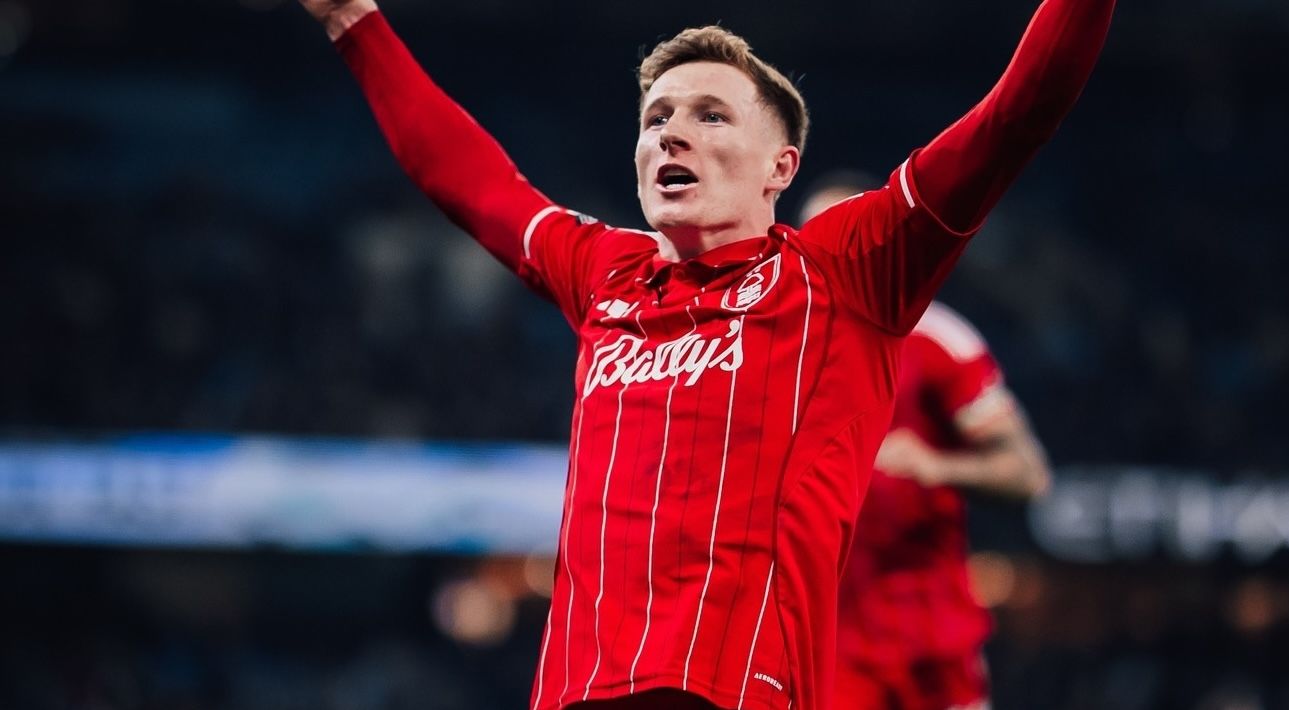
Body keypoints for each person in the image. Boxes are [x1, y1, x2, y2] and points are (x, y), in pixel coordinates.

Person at [292, 1, 1115, 708]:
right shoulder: (604, 273)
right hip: (575, 692)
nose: (670, 134)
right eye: (655, 118)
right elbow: (469, 177)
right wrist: (350, 20)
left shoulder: (843, 273)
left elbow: (1017, 111)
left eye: (709, 115)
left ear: (779, 168)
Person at [799, 185, 1053, 710]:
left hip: (933, 647)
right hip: (828, 650)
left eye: (847, 236)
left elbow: (1028, 474)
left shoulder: (938, 341)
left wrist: (936, 466)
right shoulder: (777, 348)